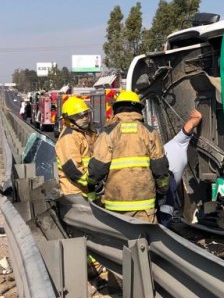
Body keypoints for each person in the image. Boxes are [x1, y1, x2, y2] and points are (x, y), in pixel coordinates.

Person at [88, 90, 170, 224]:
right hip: (144, 204)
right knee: (146, 241)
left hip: (115, 205)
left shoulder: (108, 134)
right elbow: (160, 167)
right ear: (138, 109)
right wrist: (162, 192)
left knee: (118, 241)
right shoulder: (150, 132)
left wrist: (91, 189)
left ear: (117, 109)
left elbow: (97, 169)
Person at [160, 109, 203, 226]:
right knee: (165, 210)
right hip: (166, 181)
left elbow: (188, 128)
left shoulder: (175, 144)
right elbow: (188, 127)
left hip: (164, 181)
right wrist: (197, 118)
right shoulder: (176, 143)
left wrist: (196, 118)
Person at [55, 96, 99, 199]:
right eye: (80, 115)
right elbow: (72, 169)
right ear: (69, 119)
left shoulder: (86, 132)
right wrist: (92, 182)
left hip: (86, 190)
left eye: (86, 114)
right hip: (75, 194)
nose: (85, 118)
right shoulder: (68, 138)